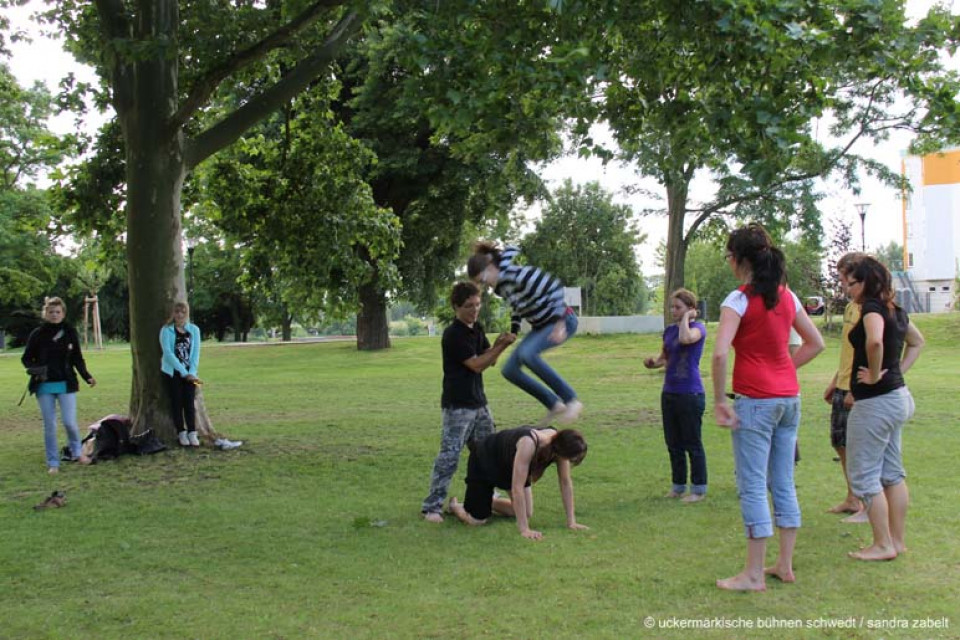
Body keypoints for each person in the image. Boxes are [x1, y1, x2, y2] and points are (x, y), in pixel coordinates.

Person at [711, 224, 825, 591]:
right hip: (789, 400)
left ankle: (754, 574)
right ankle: (784, 565)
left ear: (741, 259)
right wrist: (782, 372)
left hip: (756, 403)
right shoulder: (786, 297)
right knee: (783, 482)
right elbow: (816, 343)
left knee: (753, 485)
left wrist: (717, 401)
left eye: (729, 257)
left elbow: (718, 352)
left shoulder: (738, 300)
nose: (729, 263)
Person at [845, 256, 924, 561]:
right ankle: (897, 541)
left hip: (876, 403)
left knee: (864, 474)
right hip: (898, 397)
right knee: (892, 473)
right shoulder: (897, 309)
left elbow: (874, 342)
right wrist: (896, 372)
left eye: (852, 283)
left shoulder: (873, 308)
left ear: (866, 282)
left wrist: (877, 374)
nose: (848, 289)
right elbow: (917, 342)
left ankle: (882, 544)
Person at [421, 282, 516, 523]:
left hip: (479, 403)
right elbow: (475, 365)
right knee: (449, 456)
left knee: (489, 452)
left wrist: (497, 346)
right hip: (458, 405)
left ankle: (487, 496)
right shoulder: (454, 334)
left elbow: (489, 360)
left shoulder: (477, 328)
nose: (474, 310)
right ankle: (432, 506)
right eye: (468, 306)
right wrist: (500, 346)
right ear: (456, 306)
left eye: (477, 304)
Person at [467, 242, 582, 425]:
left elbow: (555, 288)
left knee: (528, 354)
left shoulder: (516, 274)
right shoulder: (502, 287)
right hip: (541, 325)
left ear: (490, 267)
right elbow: (517, 306)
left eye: (483, 280)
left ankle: (571, 400)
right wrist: (514, 331)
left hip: (562, 320)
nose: (486, 285)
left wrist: (559, 322)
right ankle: (553, 404)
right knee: (509, 370)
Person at [447, 426, 589, 540]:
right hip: (486, 457)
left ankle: (487, 501)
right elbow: (517, 488)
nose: (568, 461)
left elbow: (565, 482)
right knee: (476, 521)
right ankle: (456, 506)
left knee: (525, 512)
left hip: (510, 464)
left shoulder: (558, 443)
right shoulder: (529, 443)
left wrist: (571, 521)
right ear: (561, 451)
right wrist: (524, 529)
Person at [643, 288, 708, 502]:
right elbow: (665, 358)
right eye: (672, 307)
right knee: (673, 442)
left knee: (692, 442)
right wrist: (653, 363)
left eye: (678, 307)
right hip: (669, 392)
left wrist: (688, 318)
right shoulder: (670, 331)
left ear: (690, 309)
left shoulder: (698, 329)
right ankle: (678, 486)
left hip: (690, 393)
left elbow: (686, 339)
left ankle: (698, 489)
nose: (673, 311)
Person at [21, 297, 96, 473]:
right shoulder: (37, 334)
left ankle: (77, 453)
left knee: (70, 422)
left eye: (57, 312)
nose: (54, 315)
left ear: (63, 313)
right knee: (50, 425)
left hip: (66, 383)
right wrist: (36, 369)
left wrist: (87, 376)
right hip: (44, 385)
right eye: (51, 312)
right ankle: (53, 462)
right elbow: (26, 358)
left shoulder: (70, 332)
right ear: (45, 313)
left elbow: (77, 357)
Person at [822, 252, 868, 522]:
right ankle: (852, 497)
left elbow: (870, 353)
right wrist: (835, 381)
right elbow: (850, 352)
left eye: (845, 279)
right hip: (842, 384)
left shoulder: (870, 309)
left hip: (858, 390)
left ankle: (865, 503)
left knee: (857, 445)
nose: (841, 284)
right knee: (839, 442)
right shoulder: (851, 307)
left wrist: (855, 389)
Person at [160, 301, 202, 447]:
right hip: (173, 373)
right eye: (177, 312)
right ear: (173, 313)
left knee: (189, 403)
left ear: (187, 313)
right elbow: (168, 353)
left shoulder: (194, 330)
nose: (180, 315)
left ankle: (192, 432)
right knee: (177, 403)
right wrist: (183, 372)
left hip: (190, 374)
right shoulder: (166, 330)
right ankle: (181, 432)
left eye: (183, 312)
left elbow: (196, 353)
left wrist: (191, 373)